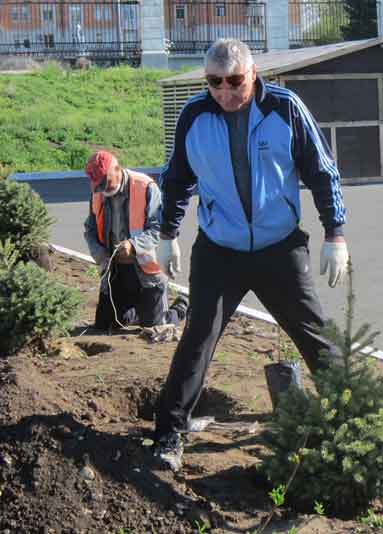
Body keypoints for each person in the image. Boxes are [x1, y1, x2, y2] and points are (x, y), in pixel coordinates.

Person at [153, 38, 349, 470]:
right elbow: (177, 177)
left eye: (234, 81)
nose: (224, 92)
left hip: (279, 248)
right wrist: (168, 233)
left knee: (314, 334)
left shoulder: (285, 108)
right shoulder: (195, 114)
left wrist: (335, 233)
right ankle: (169, 432)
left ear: (253, 74)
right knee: (198, 338)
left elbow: (322, 170)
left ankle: (355, 422)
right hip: (219, 250)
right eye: (214, 82)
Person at [83, 150, 188, 334]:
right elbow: (90, 230)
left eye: (105, 182)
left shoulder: (145, 187)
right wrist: (98, 253)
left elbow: (159, 229)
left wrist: (133, 245)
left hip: (147, 273)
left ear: (117, 169)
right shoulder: (98, 192)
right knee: (105, 325)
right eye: (97, 184)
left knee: (155, 328)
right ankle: (139, 311)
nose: (102, 188)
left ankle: (179, 308)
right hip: (116, 271)